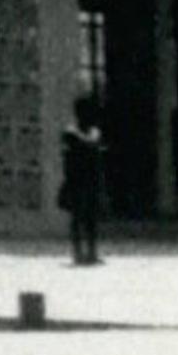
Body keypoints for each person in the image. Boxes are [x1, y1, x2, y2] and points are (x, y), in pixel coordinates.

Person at [58, 106, 109, 268]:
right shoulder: (71, 133)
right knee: (78, 218)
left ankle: (91, 252)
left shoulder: (86, 133)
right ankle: (79, 253)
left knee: (90, 219)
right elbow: (84, 146)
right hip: (77, 181)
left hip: (89, 181)